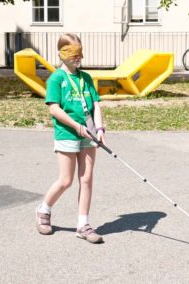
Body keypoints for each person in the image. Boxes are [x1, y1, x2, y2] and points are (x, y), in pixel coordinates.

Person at [35, 33, 106, 244]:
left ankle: (83, 225)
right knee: (66, 180)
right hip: (67, 133)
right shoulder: (56, 78)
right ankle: (43, 210)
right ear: (61, 53)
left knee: (86, 179)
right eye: (72, 53)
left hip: (89, 134)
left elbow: (96, 105)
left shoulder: (86, 78)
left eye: (80, 53)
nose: (77, 57)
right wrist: (76, 125)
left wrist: (100, 128)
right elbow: (54, 109)